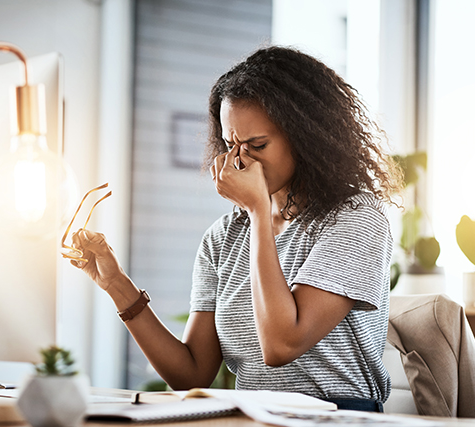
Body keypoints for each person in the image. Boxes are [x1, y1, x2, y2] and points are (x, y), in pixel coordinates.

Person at [70, 46, 402, 412]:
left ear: (306, 135)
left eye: (258, 144)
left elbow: (281, 345)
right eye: (231, 145)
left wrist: (258, 209)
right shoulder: (223, 237)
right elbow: (191, 375)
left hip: (339, 418)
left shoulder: (355, 218)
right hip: (251, 418)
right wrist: (116, 285)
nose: (241, 159)